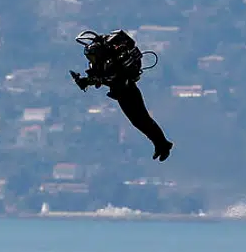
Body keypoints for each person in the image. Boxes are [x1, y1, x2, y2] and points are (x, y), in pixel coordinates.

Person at [70, 29, 173, 161]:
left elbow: (106, 78)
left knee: (142, 120)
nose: (91, 60)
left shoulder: (112, 64)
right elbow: (99, 78)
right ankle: (160, 144)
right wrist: (85, 81)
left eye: (92, 57)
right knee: (139, 121)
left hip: (128, 92)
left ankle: (163, 145)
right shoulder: (102, 64)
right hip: (121, 93)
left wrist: (90, 81)